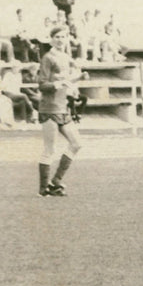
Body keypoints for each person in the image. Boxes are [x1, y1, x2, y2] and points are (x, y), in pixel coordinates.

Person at [36, 25, 87, 196]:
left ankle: (55, 181)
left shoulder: (65, 57)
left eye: (63, 36)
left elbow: (66, 80)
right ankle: (43, 189)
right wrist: (59, 84)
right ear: (51, 39)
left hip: (62, 107)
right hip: (49, 107)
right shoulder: (47, 58)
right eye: (57, 36)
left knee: (77, 143)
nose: (60, 39)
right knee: (50, 149)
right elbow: (42, 84)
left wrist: (79, 77)